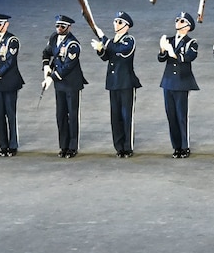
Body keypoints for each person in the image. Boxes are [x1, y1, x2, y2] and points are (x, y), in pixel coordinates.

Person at [38, 15, 88, 157]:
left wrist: (51, 78)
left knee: (72, 115)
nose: (59, 29)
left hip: (71, 84)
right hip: (59, 84)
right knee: (60, 115)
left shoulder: (73, 45)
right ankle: (63, 145)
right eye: (57, 26)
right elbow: (46, 53)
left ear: (69, 27)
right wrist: (46, 66)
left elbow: (67, 66)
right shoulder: (54, 38)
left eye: (62, 27)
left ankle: (72, 146)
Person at [94, 11, 140, 157]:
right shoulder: (113, 41)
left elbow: (122, 51)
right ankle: (119, 146)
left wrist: (104, 39)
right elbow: (108, 57)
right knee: (115, 116)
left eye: (119, 22)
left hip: (126, 83)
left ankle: (128, 147)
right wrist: (100, 50)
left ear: (127, 26)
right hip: (113, 83)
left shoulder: (129, 40)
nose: (116, 24)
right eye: (115, 21)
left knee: (126, 116)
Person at [157, 10, 200, 157]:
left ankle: (184, 146)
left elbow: (189, 57)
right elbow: (161, 59)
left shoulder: (191, 42)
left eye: (181, 21)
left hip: (181, 82)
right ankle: (176, 146)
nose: (178, 22)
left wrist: (171, 51)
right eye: (177, 20)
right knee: (171, 115)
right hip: (168, 81)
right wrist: (163, 49)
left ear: (188, 27)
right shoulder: (169, 39)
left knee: (181, 115)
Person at [0, 12, 24, 156]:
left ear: (6, 25)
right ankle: (3, 145)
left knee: (10, 114)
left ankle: (13, 145)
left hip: (9, 82)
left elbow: (9, 62)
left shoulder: (12, 41)